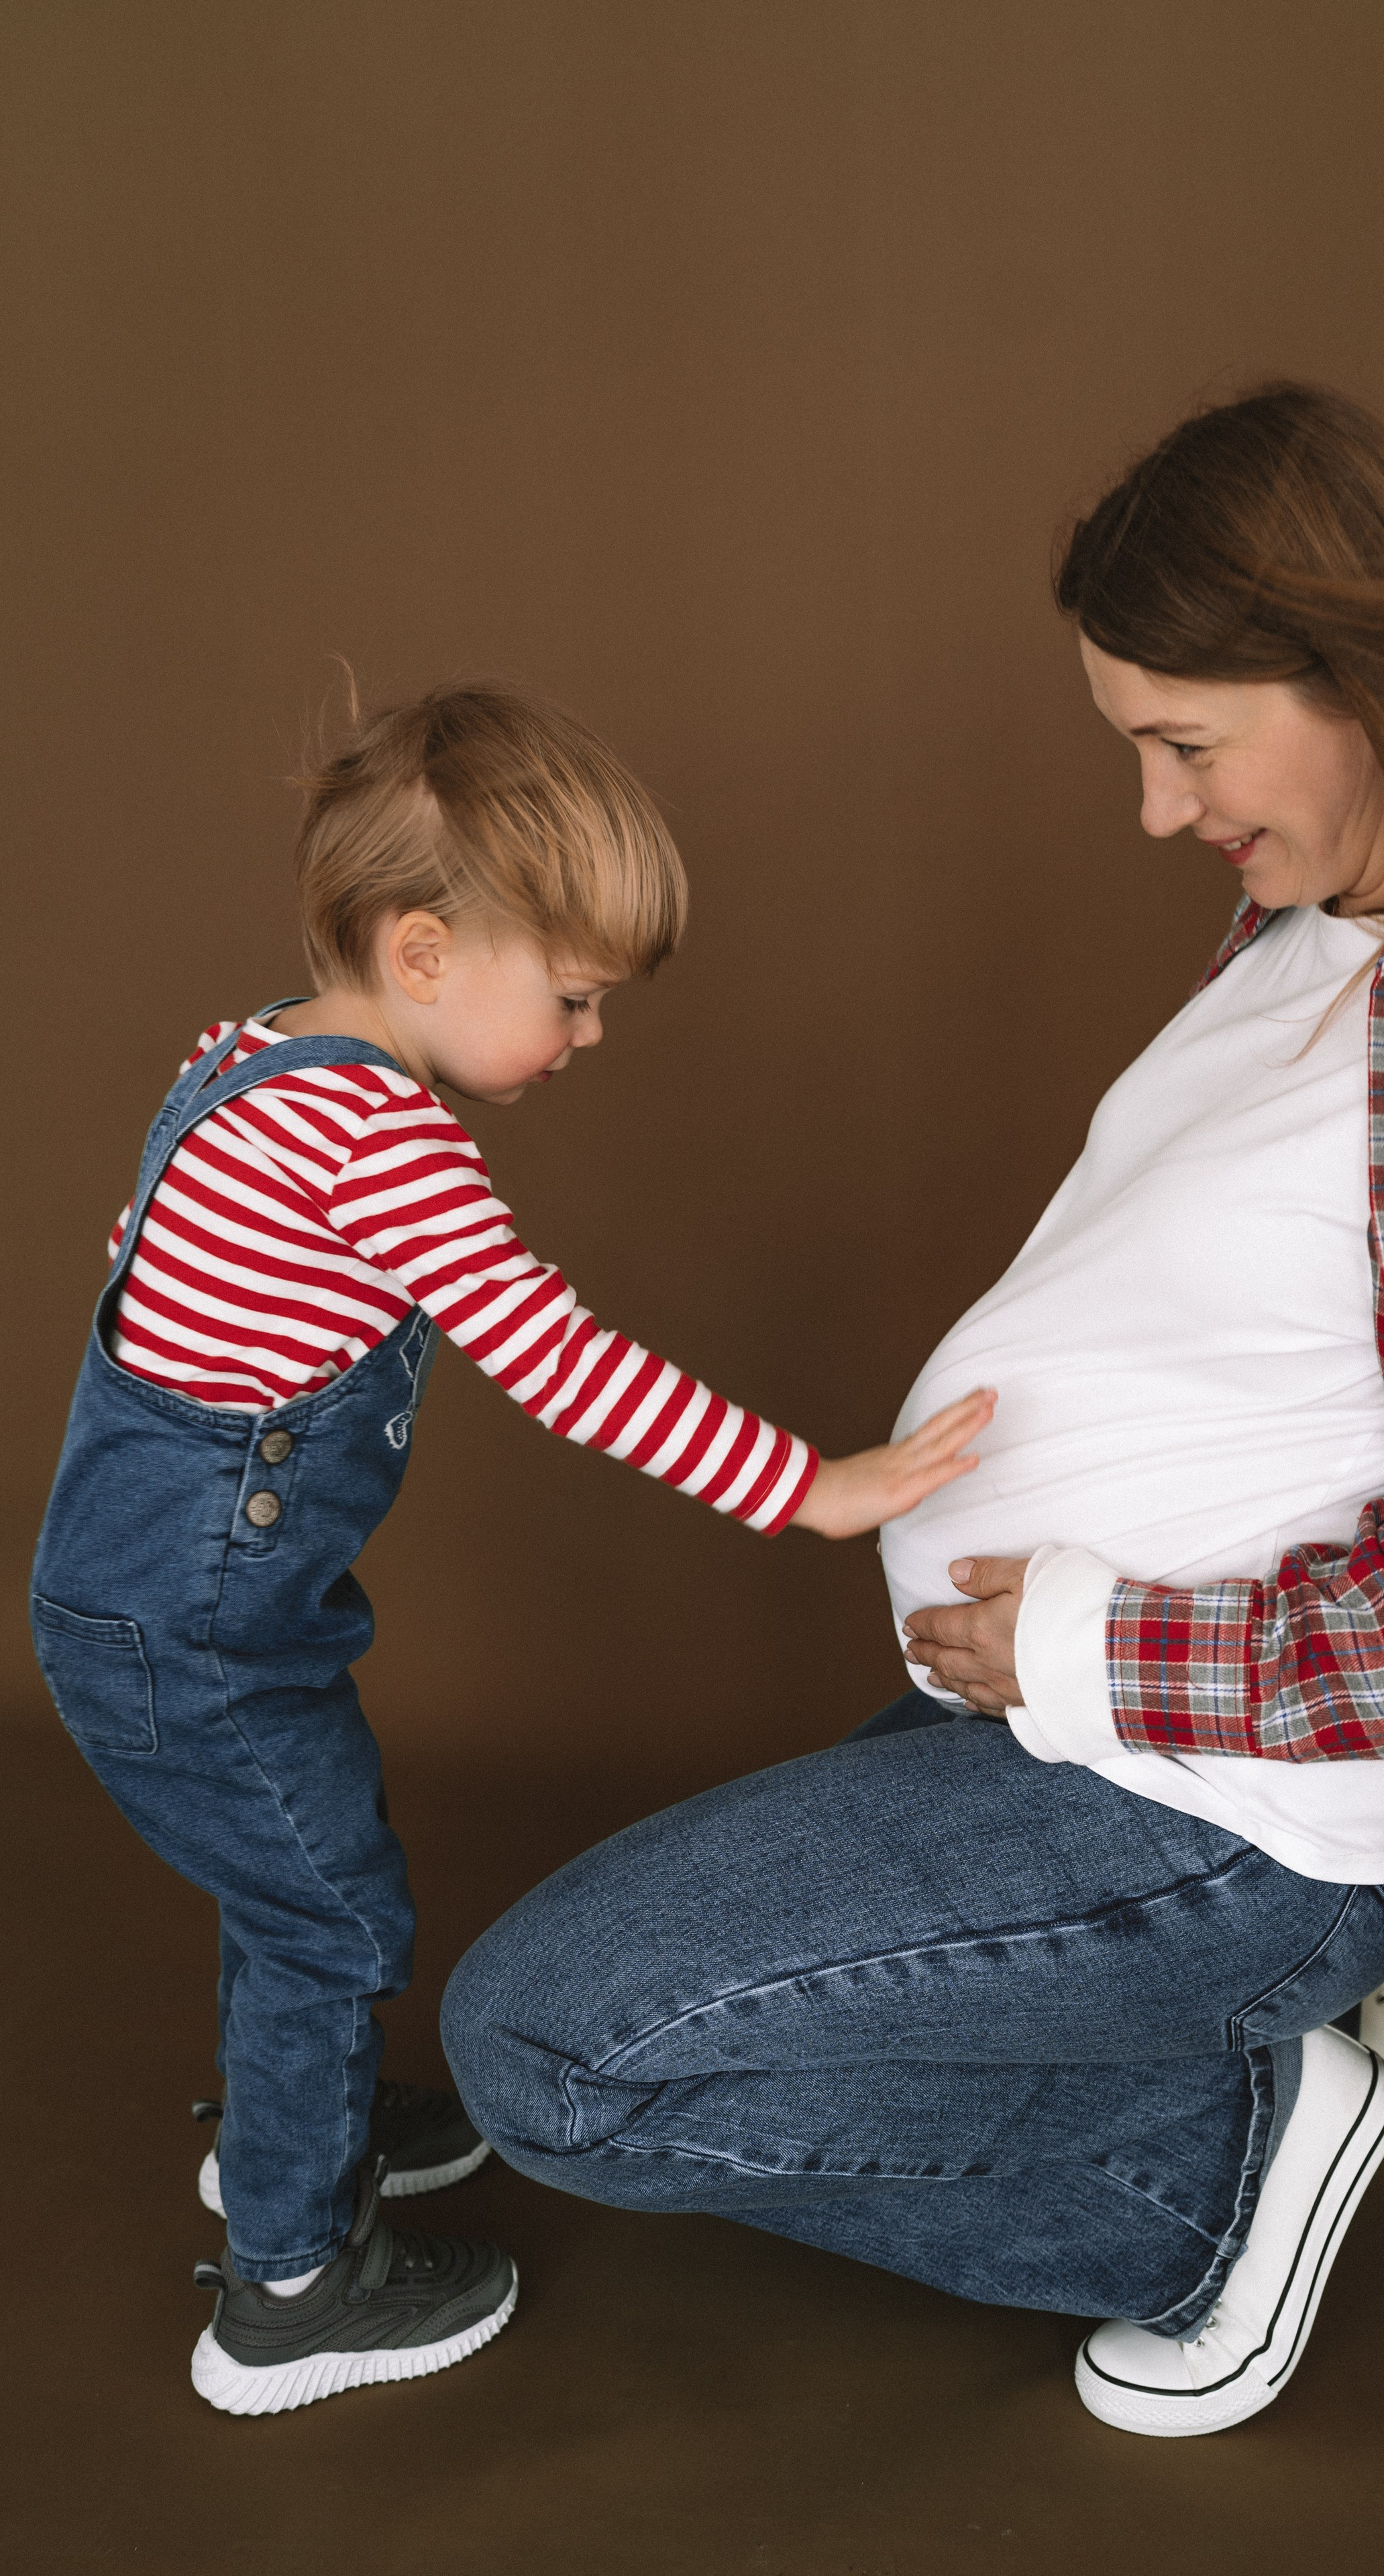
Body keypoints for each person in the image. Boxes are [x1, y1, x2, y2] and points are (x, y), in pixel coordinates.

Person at [441, 384, 1384, 2436]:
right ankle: (1221, 2085)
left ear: (1362, 679)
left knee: (550, 2059)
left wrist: (1098, 1637)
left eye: (1186, 745)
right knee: (616, 2012)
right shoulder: (1322, 926)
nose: (1152, 809)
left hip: (1230, 1814)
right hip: (1059, 1725)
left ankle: (1201, 2193)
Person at [28, 681, 992, 2418]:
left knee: (295, 1873)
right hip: (195, 1625)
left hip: (158, 1599)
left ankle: (288, 2133)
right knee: (330, 1909)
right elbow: (563, 1365)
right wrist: (816, 1487)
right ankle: (289, 2290)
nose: (588, 1037)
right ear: (422, 954)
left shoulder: (248, 1057)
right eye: (571, 999)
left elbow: (137, 1255)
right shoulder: (383, 1136)